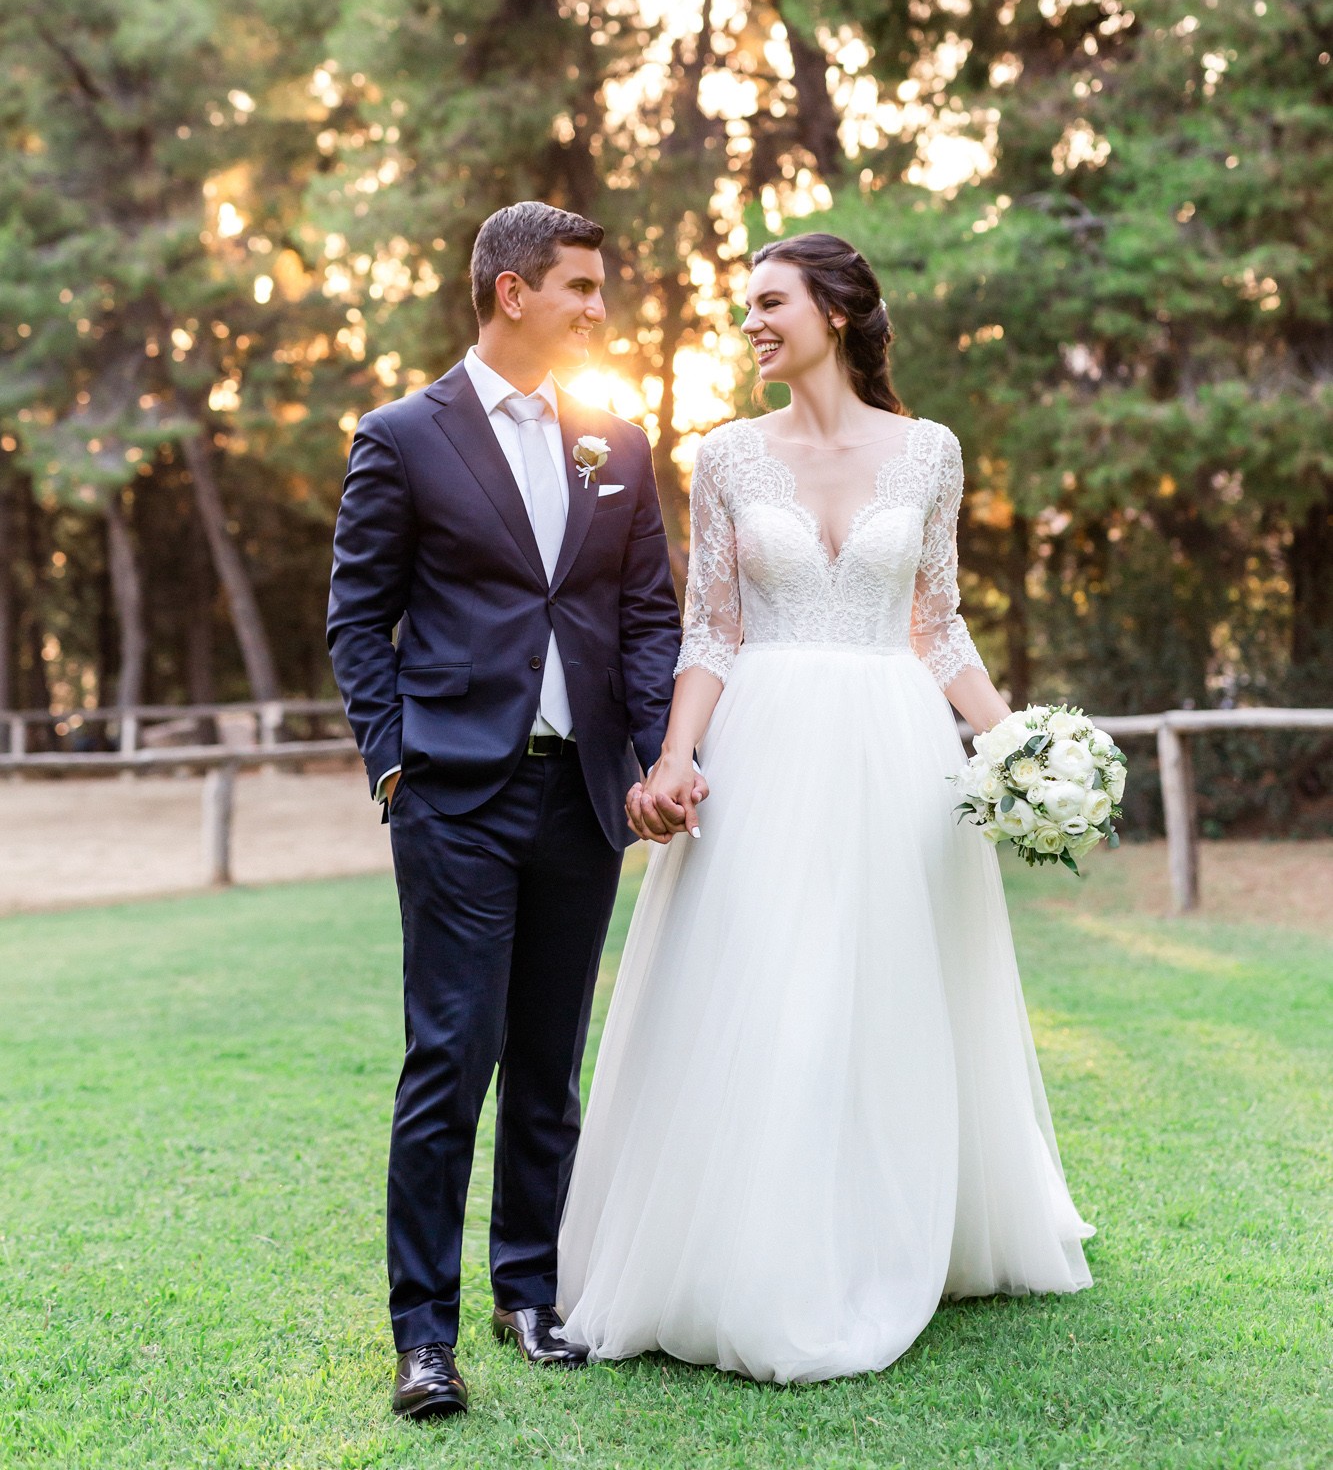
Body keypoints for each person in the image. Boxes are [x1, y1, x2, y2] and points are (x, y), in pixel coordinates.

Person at [557, 232, 1094, 1383]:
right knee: (776, 984)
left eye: (770, 301)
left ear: (836, 310)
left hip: (899, 748)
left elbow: (936, 624)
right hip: (766, 748)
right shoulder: (725, 457)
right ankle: (765, 1252)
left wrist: (1018, 746)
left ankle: (893, 1222)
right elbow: (711, 628)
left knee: (889, 985)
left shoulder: (929, 450)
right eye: (744, 306)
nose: (749, 322)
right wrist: (676, 756)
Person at [327, 201, 685, 1419]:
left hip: (581, 794)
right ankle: (422, 1334)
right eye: (579, 285)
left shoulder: (615, 440)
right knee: (451, 1056)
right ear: (511, 291)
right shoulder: (401, 436)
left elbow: (645, 614)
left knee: (547, 1060)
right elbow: (356, 619)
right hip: (455, 794)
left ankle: (527, 1292)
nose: (597, 306)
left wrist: (652, 753)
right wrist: (394, 765)